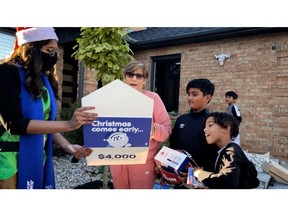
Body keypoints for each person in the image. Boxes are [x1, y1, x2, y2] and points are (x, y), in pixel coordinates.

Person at [0, 27, 98, 189]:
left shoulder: (43, 80)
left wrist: (67, 146)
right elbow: (14, 124)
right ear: (30, 48)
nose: (53, 57)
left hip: (39, 158)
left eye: (55, 51)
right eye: (49, 50)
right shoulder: (5, 73)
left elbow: (45, 123)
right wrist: (69, 124)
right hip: (8, 165)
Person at [109, 60, 172, 189]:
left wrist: (154, 129)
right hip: (117, 160)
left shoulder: (153, 98)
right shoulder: (114, 99)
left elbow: (166, 129)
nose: (134, 78)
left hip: (143, 163)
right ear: (124, 77)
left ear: (145, 79)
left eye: (139, 75)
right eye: (130, 74)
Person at [194, 112, 259, 189]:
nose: (205, 129)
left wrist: (200, 174)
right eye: (205, 126)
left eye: (210, 125)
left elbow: (227, 181)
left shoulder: (231, 151)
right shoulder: (222, 151)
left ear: (226, 128)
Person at [169, 78, 219, 175]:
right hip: (178, 173)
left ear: (207, 97)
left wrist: (200, 173)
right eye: (189, 94)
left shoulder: (213, 122)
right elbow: (173, 146)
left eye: (194, 94)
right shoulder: (181, 119)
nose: (190, 98)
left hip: (201, 176)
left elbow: (214, 153)